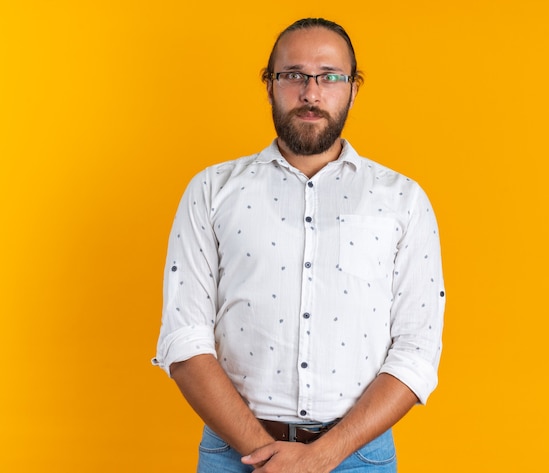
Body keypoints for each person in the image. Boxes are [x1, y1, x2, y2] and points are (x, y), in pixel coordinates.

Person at [153, 17, 445, 473]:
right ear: (269, 86)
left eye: (330, 76)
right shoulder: (211, 191)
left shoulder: (403, 200)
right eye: (293, 75)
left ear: (354, 89)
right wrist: (268, 456)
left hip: (358, 456)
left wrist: (323, 455)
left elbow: (417, 350)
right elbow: (184, 339)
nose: (311, 93)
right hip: (234, 454)